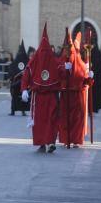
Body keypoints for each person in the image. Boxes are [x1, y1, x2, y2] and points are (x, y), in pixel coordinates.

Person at [21, 25, 64, 153]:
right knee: (49, 120)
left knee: (43, 121)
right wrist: (66, 69)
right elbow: (61, 73)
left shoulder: (35, 60)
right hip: (47, 96)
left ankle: (45, 143)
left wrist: (24, 89)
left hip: (41, 97)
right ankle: (47, 142)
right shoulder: (53, 61)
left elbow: (26, 74)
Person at [59, 31, 91, 148]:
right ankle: (66, 138)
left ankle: (75, 139)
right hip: (66, 94)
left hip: (77, 95)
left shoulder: (81, 64)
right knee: (65, 118)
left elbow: (86, 81)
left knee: (76, 119)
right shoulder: (62, 61)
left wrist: (90, 76)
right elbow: (58, 76)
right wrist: (64, 70)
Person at [8, 41, 29, 116]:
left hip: (19, 82)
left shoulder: (17, 61)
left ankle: (15, 111)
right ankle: (20, 110)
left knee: (16, 97)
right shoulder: (26, 61)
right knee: (17, 97)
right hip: (20, 82)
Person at [90, 39, 101, 112]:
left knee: (96, 93)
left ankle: (94, 107)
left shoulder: (97, 54)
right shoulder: (90, 53)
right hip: (93, 76)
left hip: (97, 77)